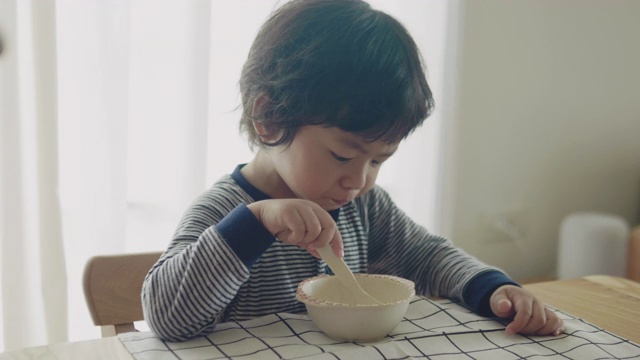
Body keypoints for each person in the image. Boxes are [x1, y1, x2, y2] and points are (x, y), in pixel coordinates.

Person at [142, 0, 564, 342]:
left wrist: (493, 289)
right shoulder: (226, 213)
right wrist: (255, 223)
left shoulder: (364, 208)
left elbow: (428, 255)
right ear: (270, 118)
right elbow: (167, 318)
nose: (359, 181)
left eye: (379, 160)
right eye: (343, 156)